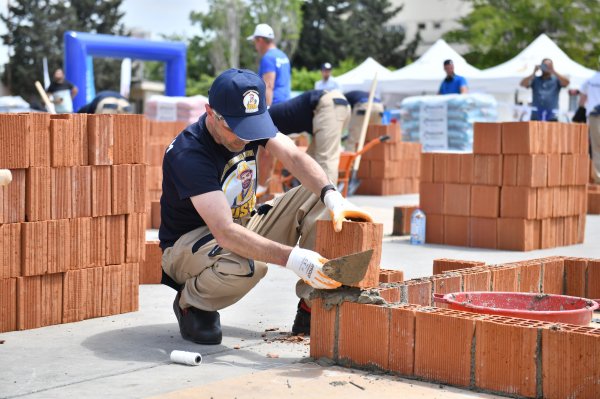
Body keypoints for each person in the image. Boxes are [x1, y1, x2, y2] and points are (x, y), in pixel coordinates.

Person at [159, 69, 371, 344]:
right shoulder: (189, 153)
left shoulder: (245, 125)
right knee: (247, 266)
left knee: (317, 197)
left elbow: (294, 156)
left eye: (251, 128)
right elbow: (224, 232)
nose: (245, 139)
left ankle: (312, 303)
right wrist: (294, 259)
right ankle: (192, 302)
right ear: (211, 112)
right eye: (236, 129)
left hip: (240, 223)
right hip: (188, 246)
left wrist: (332, 195)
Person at [267, 90, 350, 183]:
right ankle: (313, 195)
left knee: (325, 159)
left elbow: (265, 156)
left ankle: (328, 196)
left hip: (329, 106)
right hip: (333, 105)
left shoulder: (264, 121)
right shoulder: (269, 117)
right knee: (311, 162)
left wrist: (262, 186)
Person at [247, 23, 291, 106]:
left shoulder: (268, 58)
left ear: (260, 40)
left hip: (275, 106)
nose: (255, 46)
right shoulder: (282, 55)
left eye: (255, 42)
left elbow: (268, 87)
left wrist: (267, 110)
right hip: (287, 104)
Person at [579, 63, 600, 183]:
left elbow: (582, 101)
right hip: (594, 114)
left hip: (593, 115)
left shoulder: (590, 80)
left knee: (597, 147)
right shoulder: (590, 80)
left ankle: (598, 178)